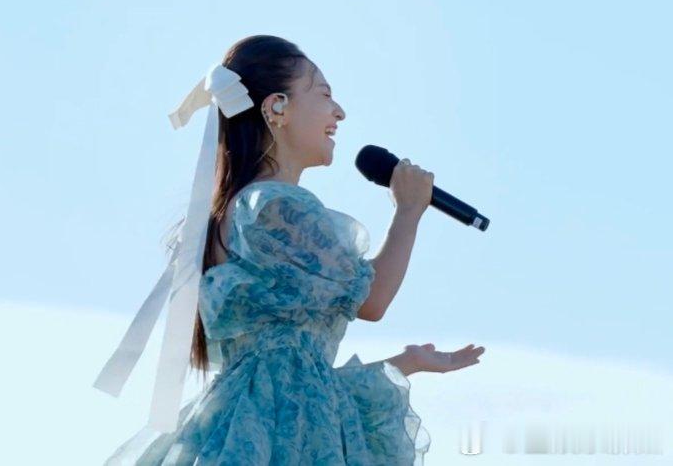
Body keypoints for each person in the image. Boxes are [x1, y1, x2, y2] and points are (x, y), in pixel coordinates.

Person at [93, 34, 486, 465]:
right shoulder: (273, 207)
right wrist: (408, 210)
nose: (339, 112)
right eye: (324, 94)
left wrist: (406, 362)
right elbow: (371, 301)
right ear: (277, 107)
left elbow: (301, 380)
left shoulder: (234, 212)